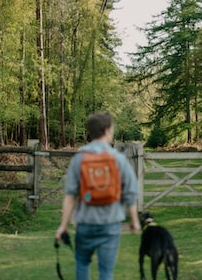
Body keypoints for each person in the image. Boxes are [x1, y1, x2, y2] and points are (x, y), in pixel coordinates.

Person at [55, 111, 141, 280]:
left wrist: (63, 226)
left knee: (82, 264)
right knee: (106, 272)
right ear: (107, 130)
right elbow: (130, 194)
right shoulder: (118, 159)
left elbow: (70, 196)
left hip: (85, 223)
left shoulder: (79, 158)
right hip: (110, 224)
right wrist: (134, 221)